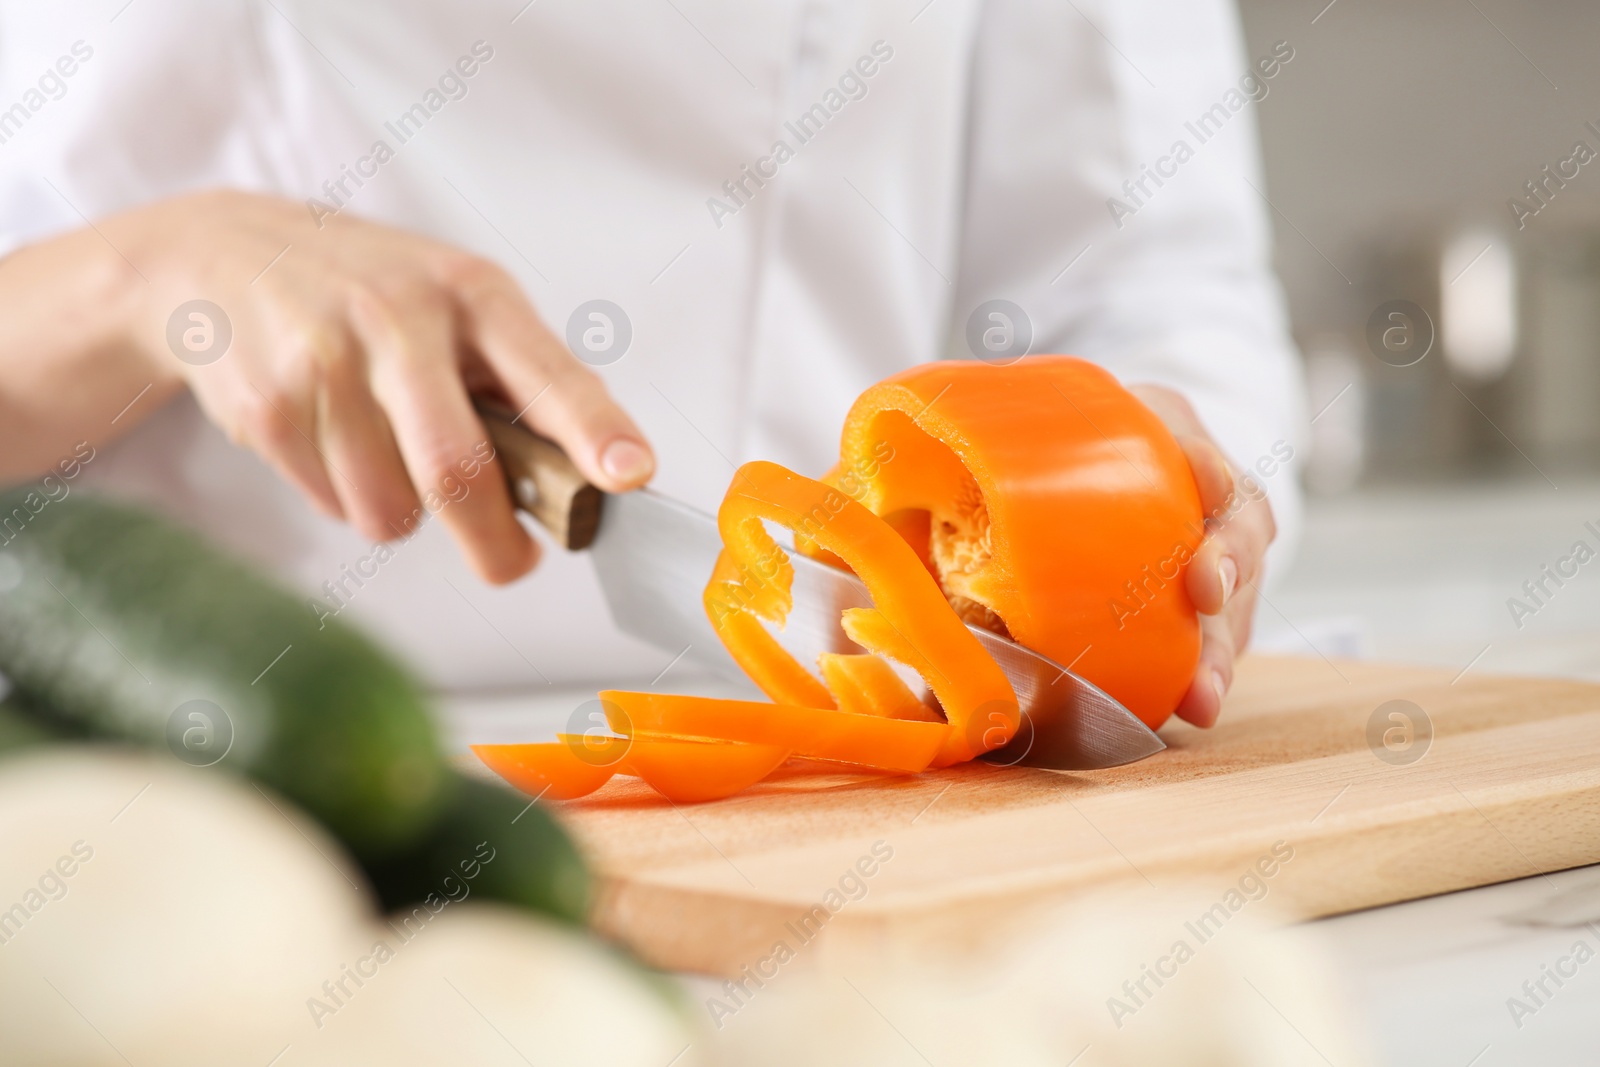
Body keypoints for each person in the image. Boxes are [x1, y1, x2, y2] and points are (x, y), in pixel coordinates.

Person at [0, 0, 1300, 728]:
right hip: (161, 780)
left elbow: (1149, 285)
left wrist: (1153, 488)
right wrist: (144, 275)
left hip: (852, 776)